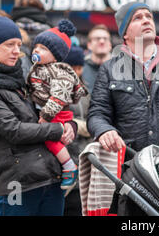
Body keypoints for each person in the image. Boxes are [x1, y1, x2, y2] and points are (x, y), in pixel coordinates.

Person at [0, 15, 77, 216]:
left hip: (51, 179)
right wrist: (57, 129)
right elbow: (14, 131)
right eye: (9, 44)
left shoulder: (20, 77)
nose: (17, 50)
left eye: (19, 44)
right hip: (18, 184)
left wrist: (70, 126)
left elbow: (49, 110)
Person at [88, 1, 159, 152]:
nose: (146, 20)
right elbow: (97, 113)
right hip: (129, 163)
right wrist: (104, 130)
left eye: (149, 16)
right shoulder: (109, 69)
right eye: (137, 18)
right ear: (125, 33)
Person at [27, 19, 89, 195]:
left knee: (50, 139)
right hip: (45, 111)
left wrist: (46, 115)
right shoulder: (37, 68)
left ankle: (69, 166)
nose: (37, 51)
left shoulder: (58, 71)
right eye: (36, 47)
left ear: (55, 56)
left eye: (43, 49)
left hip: (56, 113)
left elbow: (59, 96)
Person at [62, 45, 93, 216]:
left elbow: (93, 121)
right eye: (71, 68)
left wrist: (75, 124)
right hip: (63, 159)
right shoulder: (55, 90)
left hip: (82, 157)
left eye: (79, 68)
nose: (75, 72)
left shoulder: (85, 91)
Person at [82, 24, 112, 92]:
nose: (102, 41)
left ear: (110, 44)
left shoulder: (120, 69)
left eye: (105, 38)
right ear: (89, 45)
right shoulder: (80, 68)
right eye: (97, 39)